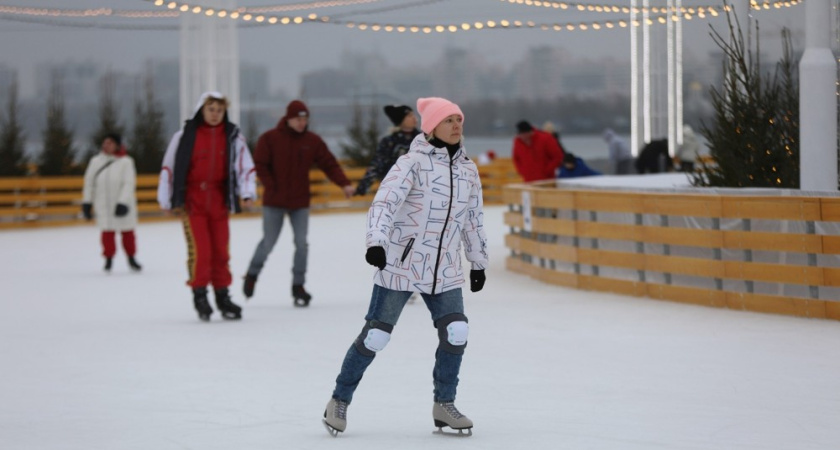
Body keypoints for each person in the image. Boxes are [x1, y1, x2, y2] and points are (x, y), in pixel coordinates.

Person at [322, 97, 488, 437]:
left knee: (457, 332)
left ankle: (444, 404)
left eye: (459, 119)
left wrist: (478, 261)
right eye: (448, 120)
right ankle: (339, 400)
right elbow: (384, 204)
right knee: (376, 335)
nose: (456, 125)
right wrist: (376, 242)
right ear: (431, 126)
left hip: (445, 268)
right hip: (401, 263)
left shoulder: (468, 169)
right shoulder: (410, 164)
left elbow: (473, 218)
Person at [243, 100, 355, 306]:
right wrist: (271, 185)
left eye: (305, 119)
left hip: (299, 203)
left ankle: (298, 285)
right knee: (268, 242)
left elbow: (329, 164)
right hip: (274, 202)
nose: (302, 123)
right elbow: (260, 164)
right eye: (298, 119)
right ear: (288, 119)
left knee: (302, 244)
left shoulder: (312, 141)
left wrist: (345, 184)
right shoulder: (269, 138)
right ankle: (252, 274)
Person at [157, 91, 256, 322]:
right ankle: (200, 295)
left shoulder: (233, 136)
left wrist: (247, 192)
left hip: (219, 201)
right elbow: (169, 167)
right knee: (201, 251)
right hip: (194, 202)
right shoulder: (185, 136)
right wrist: (166, 198)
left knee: (221, 251)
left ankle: (223, 295)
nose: (215, 114)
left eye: (219, 110)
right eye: (210, 109)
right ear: (202, 110)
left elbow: (245, 166)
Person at [81, 133, 142, 273]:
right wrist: (87, 202)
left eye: (110, 142)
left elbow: (129, 183)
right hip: (103, 203)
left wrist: (123, 202)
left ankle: (131, 258)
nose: (106, 145)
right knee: (107, 233)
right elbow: (89, 182)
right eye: (105, 142)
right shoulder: (95, 161)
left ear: (117, 145)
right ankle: (108, 259)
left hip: (122, 203)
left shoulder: (126, 162)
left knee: (127, 232)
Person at [354, 104, 421, 196]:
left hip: (420, 188)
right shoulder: (389, 142)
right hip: (394, 189)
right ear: (401, 120)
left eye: (413, 115)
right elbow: (377, 165)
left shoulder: (423, 139)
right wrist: (362, 188)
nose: (414, 118)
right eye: (409, 115)